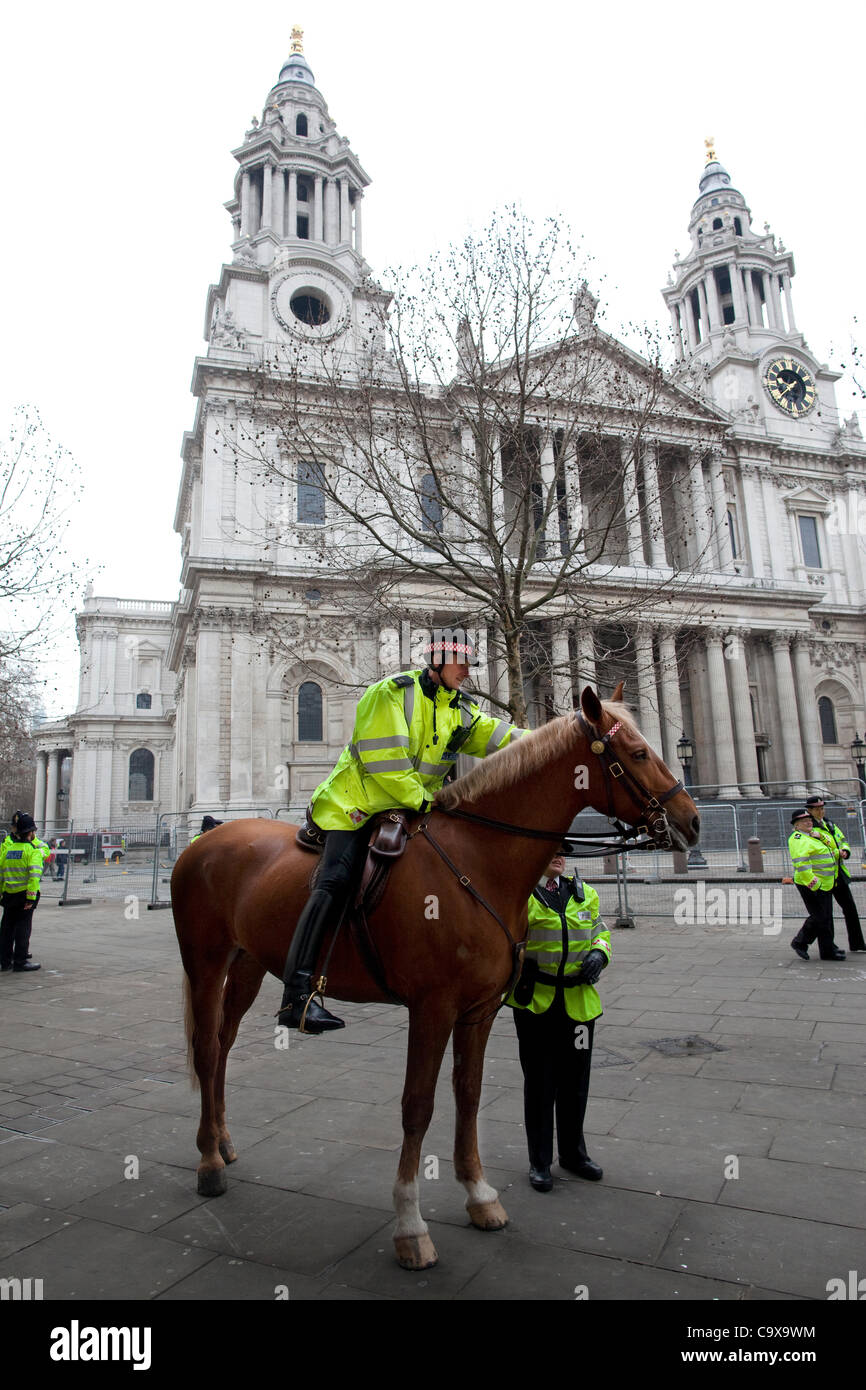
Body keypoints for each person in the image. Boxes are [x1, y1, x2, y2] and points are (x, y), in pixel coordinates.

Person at [276, 627, 526, 1034]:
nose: (467, 672)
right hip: (356, 805)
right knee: (336, 880)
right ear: (439, 662)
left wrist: (559, 737)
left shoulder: (459, 709)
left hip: (410, 806)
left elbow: (503, 737)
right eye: (461, 664)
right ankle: (298, 994)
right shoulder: (390, 693)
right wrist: (429, 801)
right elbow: (385, 762)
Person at [506, 847, 610, 1192]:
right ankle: (540, 1162)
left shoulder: (586, 893)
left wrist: (599, 953)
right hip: (537, 1004)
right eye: (551, 851)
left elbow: (601, 930)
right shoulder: (520, 895)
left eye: (563, 852)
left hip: (580, 1005)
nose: (559, 856)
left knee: (575, 1084)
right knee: (540, 1085)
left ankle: (573, 1155)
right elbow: (506, 942)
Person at [806, 795, 866, 951]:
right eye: (817, 809)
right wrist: (838, 853)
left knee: (850, 909)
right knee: (826, 914)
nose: (821, 812)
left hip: (838, 873)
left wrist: (845, 850)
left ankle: (857, 943)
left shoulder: (829, 824)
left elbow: (842, 839)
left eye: (822, 808)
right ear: (810, 810)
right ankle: (828, 947)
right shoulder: (809, 829)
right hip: (823, 876)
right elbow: (819, 851)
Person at [788, 809, 845, 962]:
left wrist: (823, 837)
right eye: (804, 821)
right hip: (811, 885)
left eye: (809, 820)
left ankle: (828, 950)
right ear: (797, 825)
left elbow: (830, 849)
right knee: (819, 917)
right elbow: (801, 865)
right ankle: (799, 942)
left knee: (825, 918)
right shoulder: (798, 839)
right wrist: (815, 884)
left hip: (826, 883)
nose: (809, 822)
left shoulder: (812, 835)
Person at [0, 813, 44, 972]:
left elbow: (1, 873)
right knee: (23, 929)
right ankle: (21, 961)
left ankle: (4, 961)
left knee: (6, 928)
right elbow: (34, 877)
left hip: (8, 895)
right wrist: (31, 898)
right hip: (24, 895)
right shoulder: (33, 852)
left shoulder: (8, 850)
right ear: (31, 832)